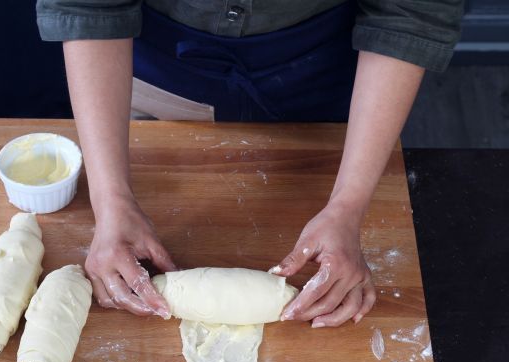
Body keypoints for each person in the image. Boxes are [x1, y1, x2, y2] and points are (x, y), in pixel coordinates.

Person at [35, 0, 462, 327]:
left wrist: (347, 207)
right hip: (156, 78)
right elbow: (88, 6)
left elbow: (408, 12)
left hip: (332, 82)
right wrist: (111, 201)